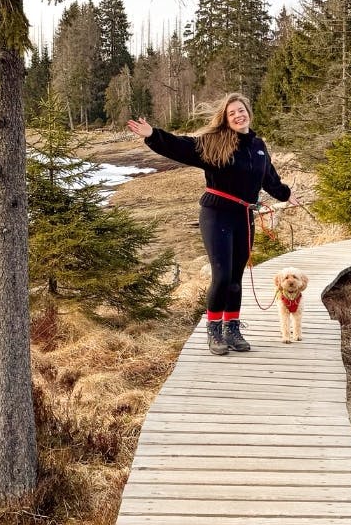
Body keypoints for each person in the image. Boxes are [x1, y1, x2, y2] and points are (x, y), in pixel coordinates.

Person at [128, 93, 299, 356]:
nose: (238, 116)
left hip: (244, 217)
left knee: (235, 278)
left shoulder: (259, 146)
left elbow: (269, 179)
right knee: (220, 277)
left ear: (248, 113)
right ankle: (214, 331)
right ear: (226, 119)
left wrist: (286, 195)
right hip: (216, 213)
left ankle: (232, 329)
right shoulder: (215, 143)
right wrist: (153, 135)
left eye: (241, 111)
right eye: (232, 113)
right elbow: (181, 146)